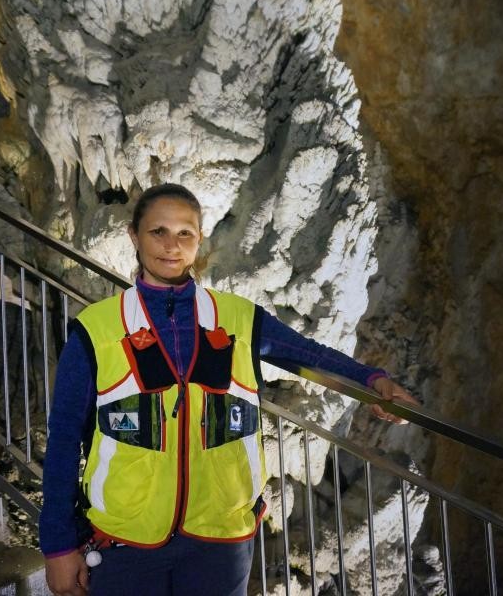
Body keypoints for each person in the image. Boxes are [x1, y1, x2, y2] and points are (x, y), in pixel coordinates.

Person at [40, 183, 418, 596]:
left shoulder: (238, 319)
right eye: (157, 232)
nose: (172, 245)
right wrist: (58, 546)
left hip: (220, 540)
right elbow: (62, 442)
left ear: (200, 238)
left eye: (185, 232)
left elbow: (307, 353)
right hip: (126, 542)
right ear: (134, 235)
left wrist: (373, 381)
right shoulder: (95, 330)